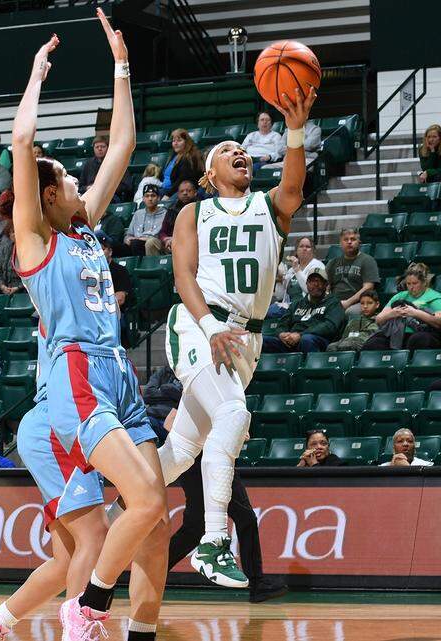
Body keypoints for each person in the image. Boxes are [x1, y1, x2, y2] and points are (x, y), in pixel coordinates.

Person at [0, 23, 171, 641]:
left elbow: (122, 144)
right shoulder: (36, 242)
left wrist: (122, 66)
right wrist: (37, 77)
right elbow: (22, 140)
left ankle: (136, 631)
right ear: (47, 196)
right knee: (145, 498)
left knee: (157, 525)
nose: (81, 180)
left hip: (119, 375)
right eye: (69, 179)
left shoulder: (85, 227)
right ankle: (88, 606)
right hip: (78, 377)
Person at [155, 82, 316, 591]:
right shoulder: (193, 212)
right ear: (209, 173)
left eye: (242, 150)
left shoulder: (270, 206)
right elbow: (183, 277)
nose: (239, 153)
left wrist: (294, 130)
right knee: (233, 414)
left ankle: (106, 522)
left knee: (181, 452)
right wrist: (209, 326)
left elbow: (293, 190)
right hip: (199, 325)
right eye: (227, 151)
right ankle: (213, 544)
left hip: (246, 340)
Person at [158, 407, 289, 603]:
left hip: (203, 463)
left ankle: (152, 573)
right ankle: (257, 583)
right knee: (246, 518)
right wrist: (215, 435)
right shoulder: (201, 389)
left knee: (195, 528)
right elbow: (170, 423)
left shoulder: (223, 396)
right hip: (204, 463)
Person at [362, 264, 441, 351]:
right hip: (396, 334)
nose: (411, 287)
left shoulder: (434, 296)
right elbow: (379, 319)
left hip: (423, 332)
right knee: (372, 344)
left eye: (415, 283)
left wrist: (415, 313)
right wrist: (392, 313)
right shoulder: (399, 296)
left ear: (424, 283)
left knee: (417, 340)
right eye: (408, 284)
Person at [262, 266, 345, 353]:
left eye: (318, 281)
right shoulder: (297, 304)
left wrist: (300, 335)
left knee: (306, 340)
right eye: (311, 281)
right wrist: (281, 334)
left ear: (326, 285)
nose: (315, 284)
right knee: (263, 341)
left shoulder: (333, 303)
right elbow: (282, 323)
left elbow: (329, 327)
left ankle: (312, 366)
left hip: (318, 340)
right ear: (307, 284)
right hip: (292, 341)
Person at [326, 228, 380, 319]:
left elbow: (368, 287)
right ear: (340, 243)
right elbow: (325, 287)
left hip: (359, 303)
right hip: (335, 302)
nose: (349, 242)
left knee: (350, 312)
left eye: (353, 239)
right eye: (346, 239)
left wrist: (347, 303)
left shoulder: (367, 260)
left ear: (359, 242)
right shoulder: (332, 263)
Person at [99, 231, 136, 347]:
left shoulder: (119, 270)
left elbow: (120, 299)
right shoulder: (91, 271)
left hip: (117, 314)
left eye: (103, 249)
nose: (99, 253)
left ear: (110, 251)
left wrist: (98, 304)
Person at [122, 183, 166, 256]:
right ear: (143, 199)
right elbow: (128, 234)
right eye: (147, 196)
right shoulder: (138, 214)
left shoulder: (165, 214)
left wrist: (144, 238)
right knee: (116, 247)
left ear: (158, 198)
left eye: (153, 196)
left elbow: (161, 236)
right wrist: (127, 239)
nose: (150, 199)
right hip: (136, 243)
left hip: (154, 243)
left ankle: (142, 266)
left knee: (141, 243)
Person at [158, 179, 199, 253]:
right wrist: (166, 239)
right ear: (178, 194)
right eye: (182, 191)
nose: (185, 193)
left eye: (188, 191)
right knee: (152, 242)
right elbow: (162, 232)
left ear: (195, 193)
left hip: (193, 243)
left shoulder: (201, 208)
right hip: (171, 243)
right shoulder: (172, 210)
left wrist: (176, 239)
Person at [282, 236, 326, 303]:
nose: (304, 248)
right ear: (296, 251)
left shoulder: (318, 266)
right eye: (301, 246)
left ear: (313, 251)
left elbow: (311, 290)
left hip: (307, 306)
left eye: (308, 247)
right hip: (289, 305)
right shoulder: (292, 269)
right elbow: (286, 290)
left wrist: (297, 270)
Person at [161, 128, 203, 196]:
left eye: (179, 140)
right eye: (173, 141)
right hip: (165, 190)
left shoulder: (189, 157)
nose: (175, 143)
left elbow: (182, 180)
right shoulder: (173, 156)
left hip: (178, 191)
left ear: (186, 142)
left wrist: (168, 195)